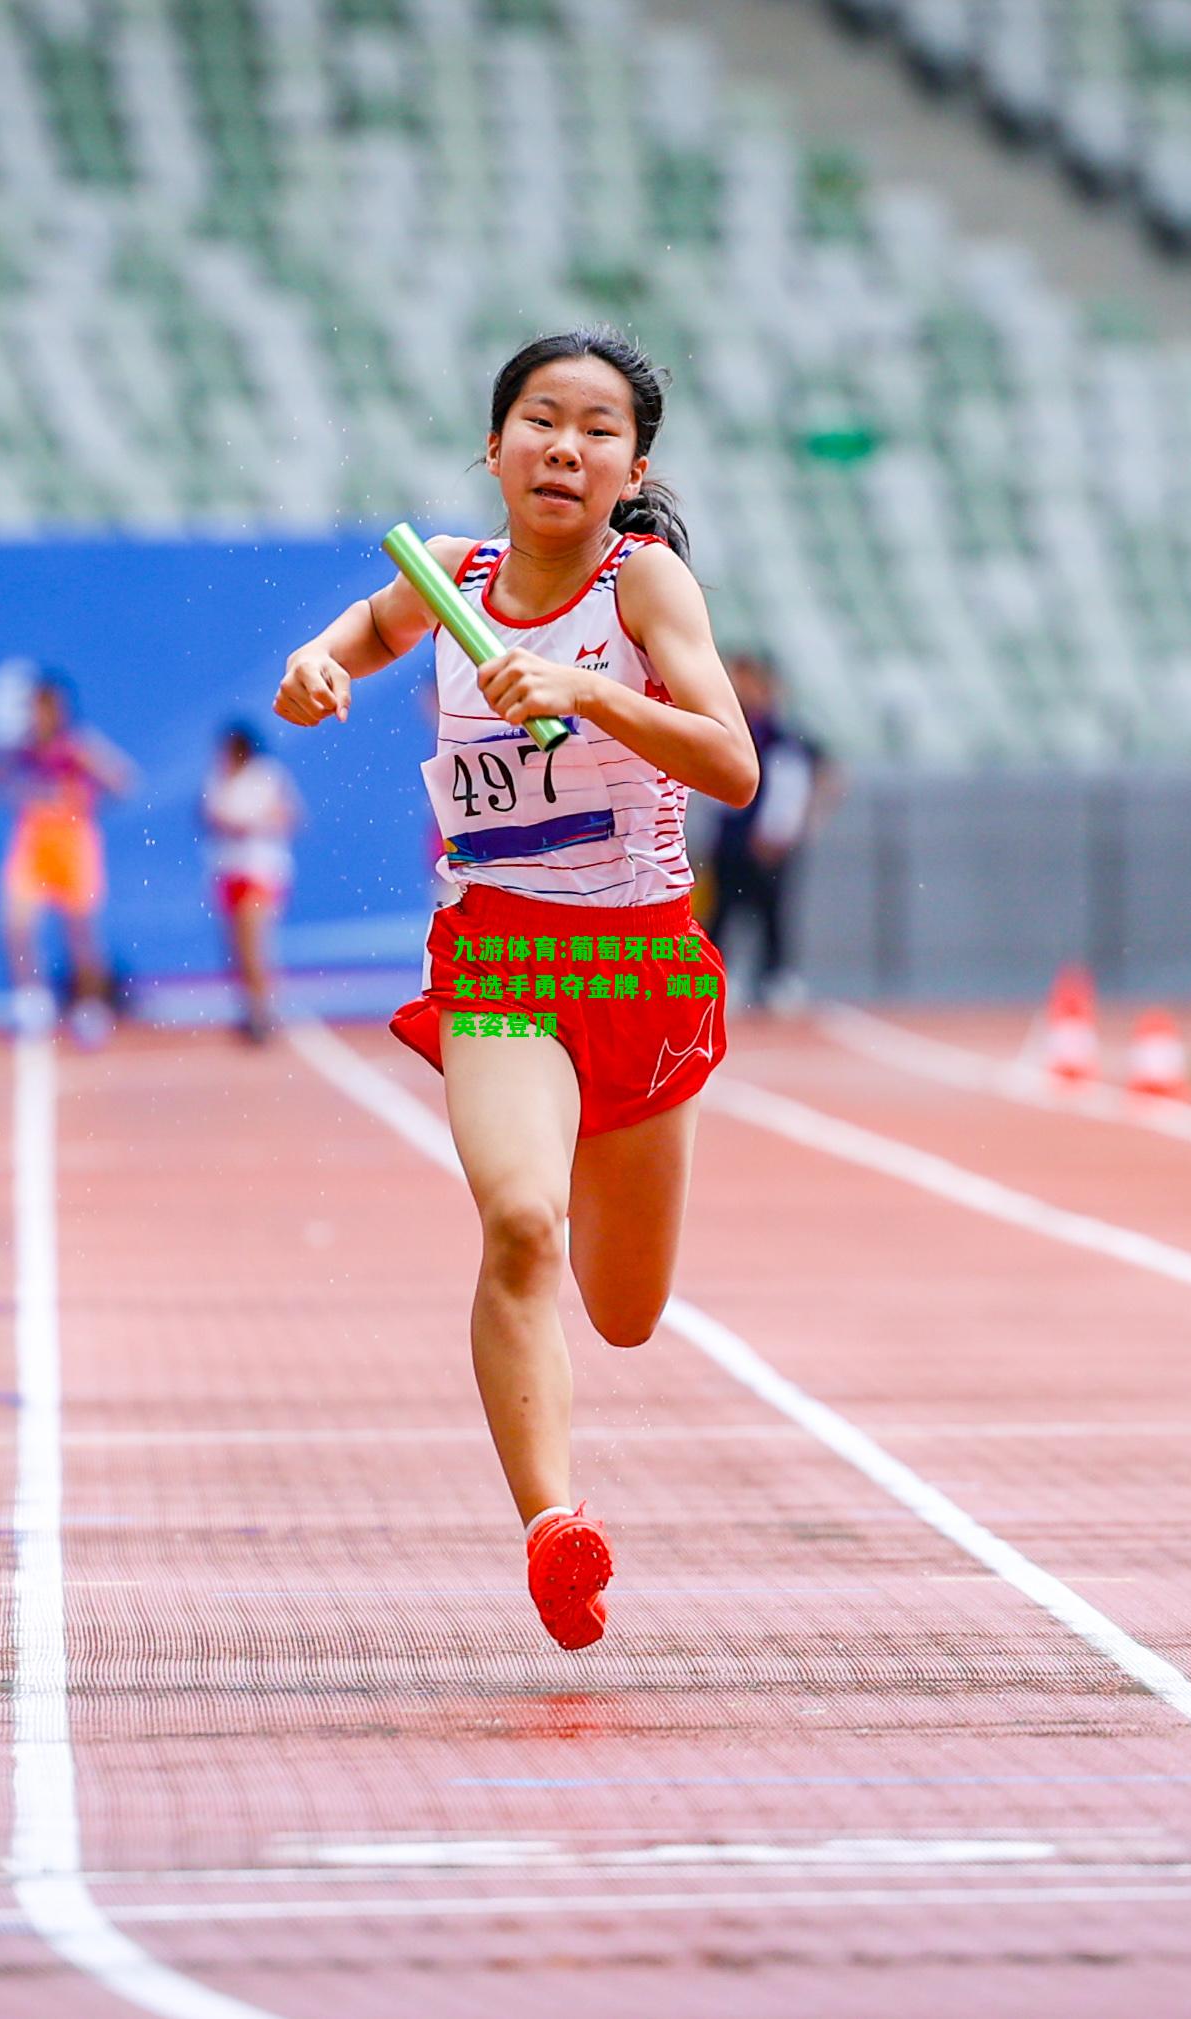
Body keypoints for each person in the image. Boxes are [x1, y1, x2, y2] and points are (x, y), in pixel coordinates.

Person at [274, 327, 757, 1651]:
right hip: (500, 960)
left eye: (598, 427)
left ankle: (600, 1187)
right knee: (524, 1224)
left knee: (627, 1308)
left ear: (631, 465)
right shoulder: (453, 577)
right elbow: (349, 639)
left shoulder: (646, 589)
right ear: (495, 449)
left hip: (643, 963)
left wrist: (587, 694)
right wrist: (315, 671)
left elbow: (731, 761)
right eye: (541, 418)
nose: (566, 444)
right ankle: (556, 1526)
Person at [0, 672, 138, 1043]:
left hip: (73, 840)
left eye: (44, 707)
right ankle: (31, 1004)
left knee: (81, 932)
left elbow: (123, 780)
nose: (38, 715)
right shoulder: (24, 748)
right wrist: (22, 790)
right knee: (16, 922)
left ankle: (90, 1010)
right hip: (33, 840)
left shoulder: (78, 745)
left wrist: (84, 798)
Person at [704, 651, 836, 1010]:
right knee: (720, 912)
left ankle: (775, 978)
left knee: (773, 913)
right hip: (730, 839)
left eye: (747, 679)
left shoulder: (783, 735)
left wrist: (793, 826)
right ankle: (715, 978)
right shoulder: (729, 726)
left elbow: (821, 774)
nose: (740, 687)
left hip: (769, 842)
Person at [201, 720, 302, 1041]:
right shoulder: (218, 778)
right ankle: (249, 1008)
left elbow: (290, 816)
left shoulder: (266, 775)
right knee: (236, 949)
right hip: (227, 869)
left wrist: (251, 822)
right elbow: (210, 817)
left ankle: (264, 1011)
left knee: (254, 942)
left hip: (260, 869)